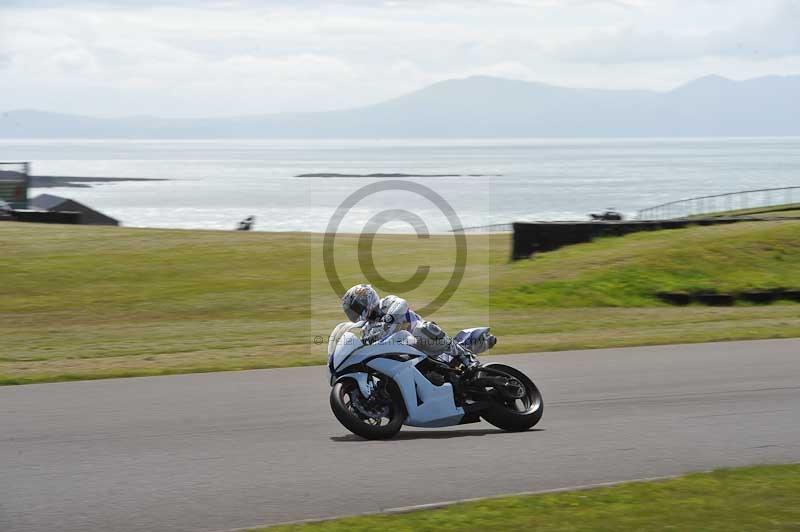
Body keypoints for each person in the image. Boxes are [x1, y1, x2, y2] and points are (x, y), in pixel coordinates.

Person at [341, 284, 494, 366]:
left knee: (423, 328)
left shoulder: (386, 303)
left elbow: (402, 304)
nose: (356, 313)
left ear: (367, 299)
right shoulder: (367, 329)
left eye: (356, 308)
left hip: (426, 343)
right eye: (353, 312)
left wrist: (389, 318)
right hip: (407, 357)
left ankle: (466, 356)